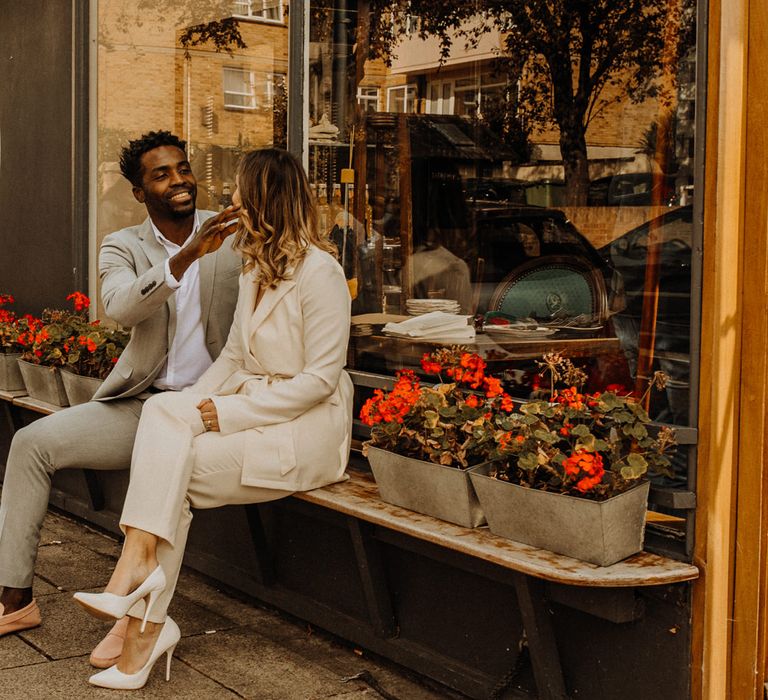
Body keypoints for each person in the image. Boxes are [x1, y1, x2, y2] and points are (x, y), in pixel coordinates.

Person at [73, 148, 353, 690]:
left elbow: (320, 381)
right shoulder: (256, 268)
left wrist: (222, 413)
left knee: (168, 474)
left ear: (265, 200)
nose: (231, 203)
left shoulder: (321, 272)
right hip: (257, 410)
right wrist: (189, 407)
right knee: (162, 415)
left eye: (240, 194)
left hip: (307, 431)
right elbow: (233, 358)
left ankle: (140, 621)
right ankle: (137, 599)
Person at [0, 131, 241, 667]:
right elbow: (120, 308)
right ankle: (14, 597)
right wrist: (181, 262)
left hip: (215, 408)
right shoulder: (123, 246)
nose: (179, 180)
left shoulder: (231, 234)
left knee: (170, 482)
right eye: (161, 174)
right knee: (31, 443)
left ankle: (134, 626)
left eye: (182, 168)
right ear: (139, 192)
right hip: (145, 403)